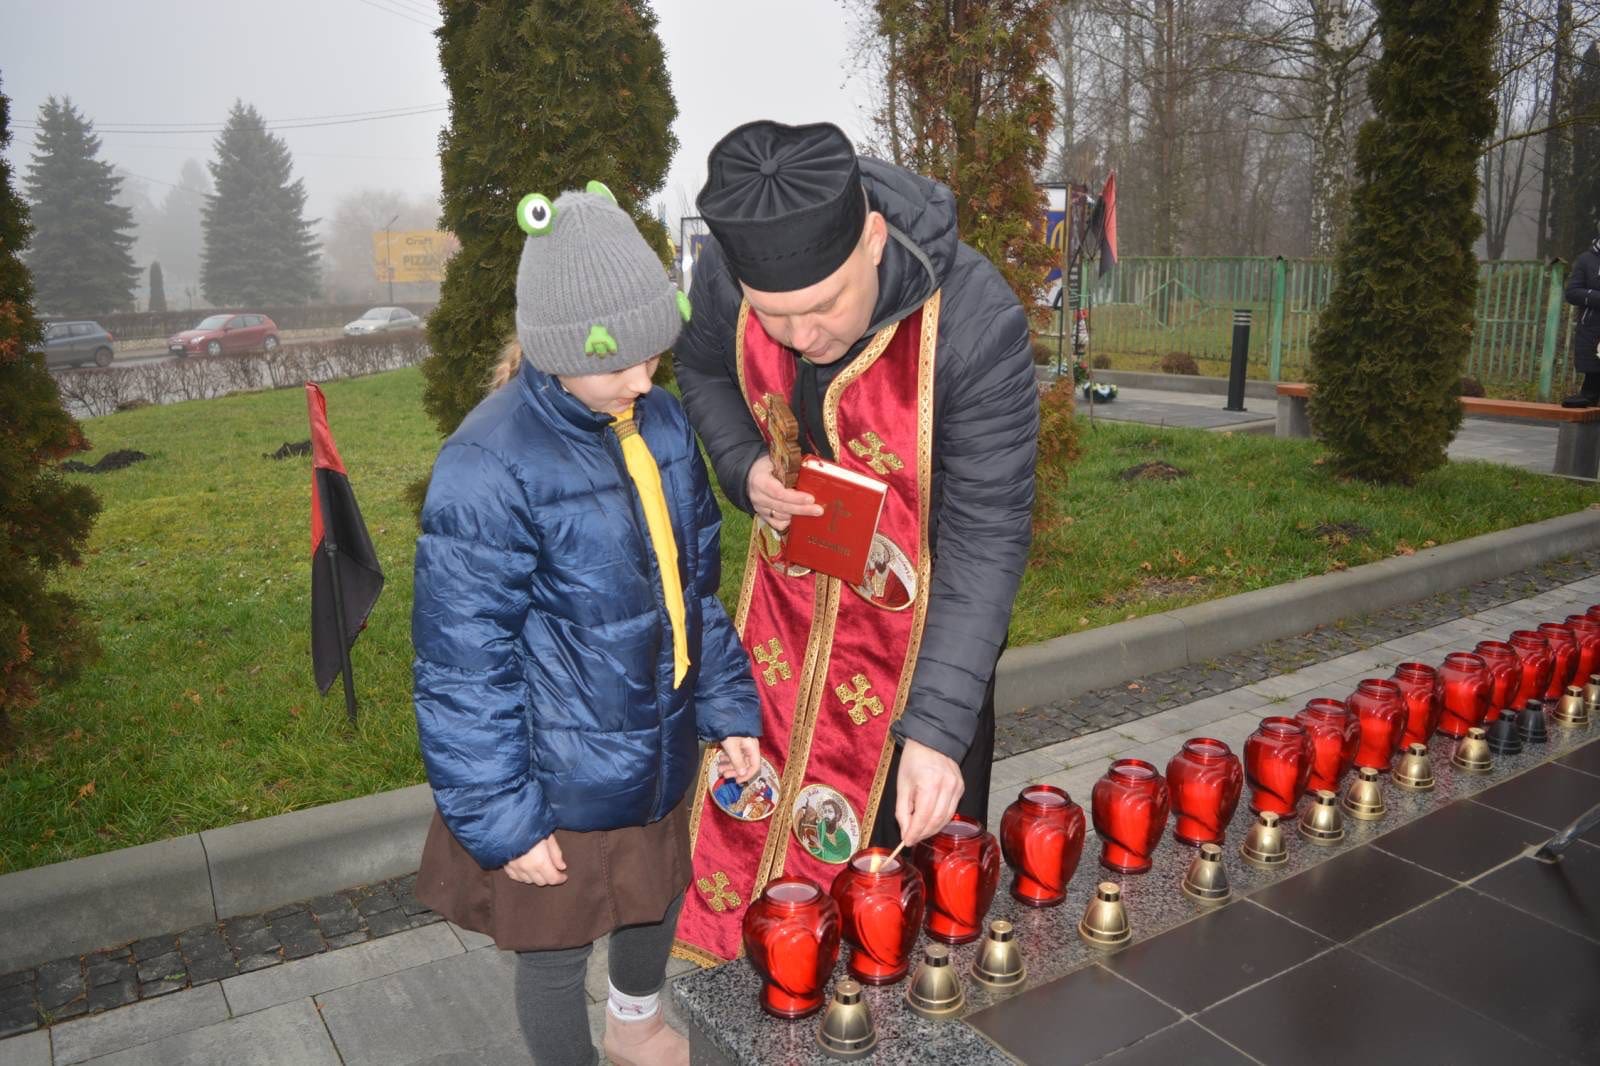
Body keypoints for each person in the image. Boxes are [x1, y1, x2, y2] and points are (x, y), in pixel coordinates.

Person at [410, 182, 761, 1066]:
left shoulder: (662, 426)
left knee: (655, 896)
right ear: (562, 349)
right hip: (553, 775)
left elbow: (697, 593)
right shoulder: (489, 465)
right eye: (622, 364)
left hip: (655, 743)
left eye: (655, 356)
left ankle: (635, 1023)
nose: (645, 380)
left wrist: (728, 710)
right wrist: (506, 819)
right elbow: (462, 668)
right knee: (555, 946)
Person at [671, 121, 1038, 964]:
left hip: (927, 638)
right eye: (775, 316)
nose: (801, 337)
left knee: (902, 888)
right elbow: (702, 369)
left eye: (823, 306)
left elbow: (985, 542)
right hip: (785, 620)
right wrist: (745, 465)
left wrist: (937, 731)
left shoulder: (976, 325)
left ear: (873, 238)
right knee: (758, 858)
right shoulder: (727, 276)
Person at [1563, 225, 1600, 407]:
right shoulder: (1586, 260)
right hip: (1593, 324)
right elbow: (1572, 292)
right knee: (1593, 365)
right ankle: (1590, 392)